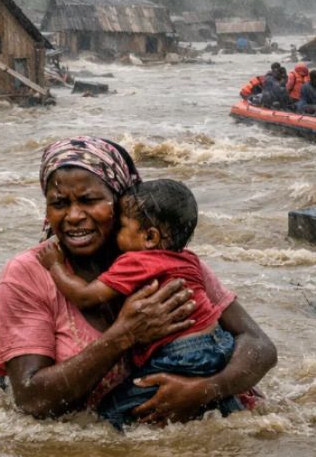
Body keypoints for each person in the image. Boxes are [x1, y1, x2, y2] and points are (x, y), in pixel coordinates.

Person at [0, 136, 276, 424]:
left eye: (89, 200)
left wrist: (202, 390)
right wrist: (124, 335)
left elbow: (260, 345)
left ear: (121, 198)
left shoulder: (164, 259)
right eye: (59, 203)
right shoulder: (28, 274)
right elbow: (31, 400)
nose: (74, 216)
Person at [36, 179, 239, 430]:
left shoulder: (136, 261)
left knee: (109, 416)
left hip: (182, 352)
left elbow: (85, 295)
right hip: (220, 343)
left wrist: (54, 265)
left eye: (121, 226)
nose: (116, 233)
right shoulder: (188, 259)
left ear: (150, 237)